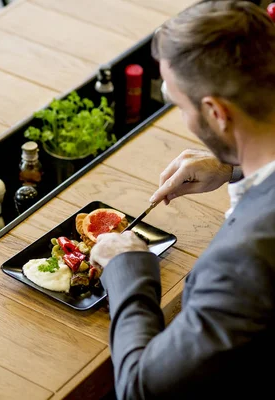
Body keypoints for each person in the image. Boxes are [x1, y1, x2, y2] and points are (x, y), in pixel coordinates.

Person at [89, 1, 275, 399]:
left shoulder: (244, 260)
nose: (185, 120)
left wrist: (129, 271)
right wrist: (233, 163)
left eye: (180, 105)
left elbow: (140, 389)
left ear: (216, 112)